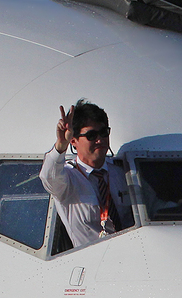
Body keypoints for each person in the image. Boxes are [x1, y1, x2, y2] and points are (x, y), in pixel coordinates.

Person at [42, 100, 135, 250]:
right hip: (91, 262)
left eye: (104, 133)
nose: (100, 140)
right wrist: (60, 146)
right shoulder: (68, 179)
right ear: (73, 141)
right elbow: (49, 177)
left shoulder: (121, 173)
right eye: (91, 135)